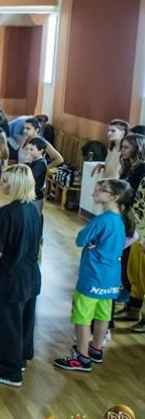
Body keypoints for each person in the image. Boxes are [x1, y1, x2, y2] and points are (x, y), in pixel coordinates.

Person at [53, 179, 133, 372]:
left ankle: (82, 357)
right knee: (103, 314)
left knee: (82, 316)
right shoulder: (120, 220)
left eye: (102, 190)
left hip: (93, 276)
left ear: (114, 197)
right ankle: (96, 349)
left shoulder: (102, 220)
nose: (95, 192)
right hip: (111, 277)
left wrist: (91, 241)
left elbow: (80, 239)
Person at [0, 165, 42, 388]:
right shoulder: (33, 209)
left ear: (17, 185)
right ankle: (20, 360)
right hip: (30, 275)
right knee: (24, 321)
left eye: (5, 181)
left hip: (10, 278)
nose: (1, 184)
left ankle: (8, 372)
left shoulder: (6, 214)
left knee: (5, 325)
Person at [114, 133, 145, 326]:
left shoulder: (142, 169)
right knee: (134, 270)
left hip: (140, 227)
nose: (122, 150)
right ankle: (133, 308)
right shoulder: (133, 170)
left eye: (127, 147)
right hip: (135, 223)